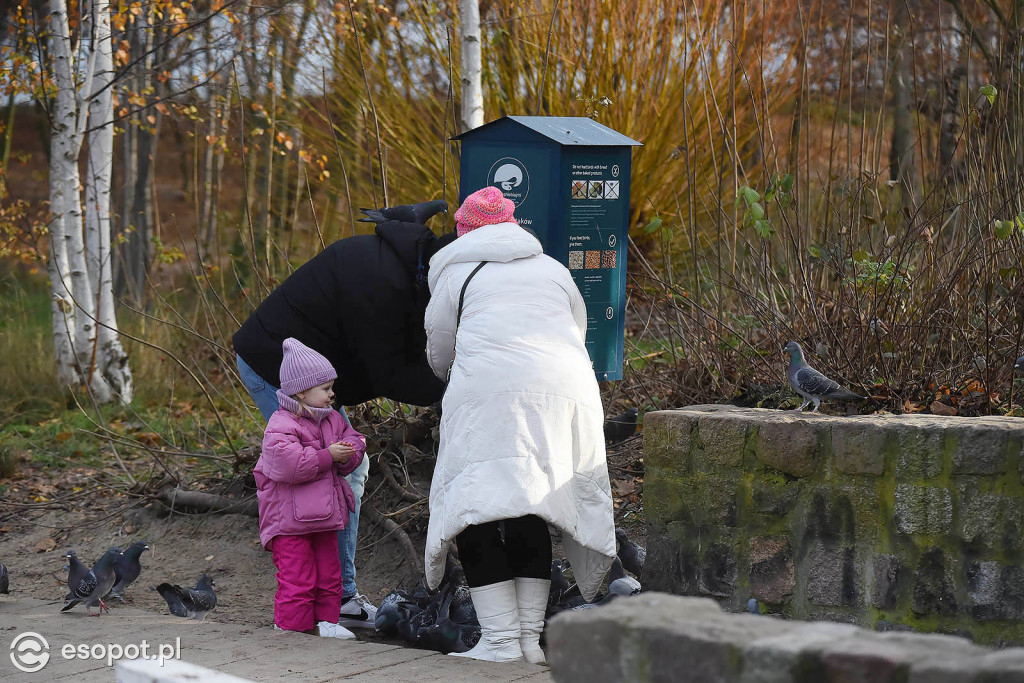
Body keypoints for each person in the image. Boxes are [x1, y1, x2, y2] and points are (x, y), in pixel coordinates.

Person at [422, 186, 616, 663]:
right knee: (533, 505)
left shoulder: (456, 272)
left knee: (475, 508)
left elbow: (439, 351)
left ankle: (501, 641)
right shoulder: (553, 269)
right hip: (565, 394)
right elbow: (578, 327)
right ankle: (530, 641)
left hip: (489, 398)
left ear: (465, 231)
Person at [233, 220, 455, 628]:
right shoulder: (383, 285)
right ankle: (324, 601)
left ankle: (332, 598)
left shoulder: (405, 267)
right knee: (319, 479)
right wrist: (454, 384)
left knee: (347, 473)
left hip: (311, 380)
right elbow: (390, 371)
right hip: (275, 366)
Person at [254, 338, 367, 638]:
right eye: (325, 388)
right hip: (290, 523)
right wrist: (329, 455)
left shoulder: (331, 419)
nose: (332, 394)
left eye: (331, 387)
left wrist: (350, 451)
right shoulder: (280, 424)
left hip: (325, 516)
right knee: (297, 577)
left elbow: (355, 438)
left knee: (330, 573)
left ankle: (328, 623)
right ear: (302, 392)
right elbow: (287, 464)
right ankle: (292, 628)